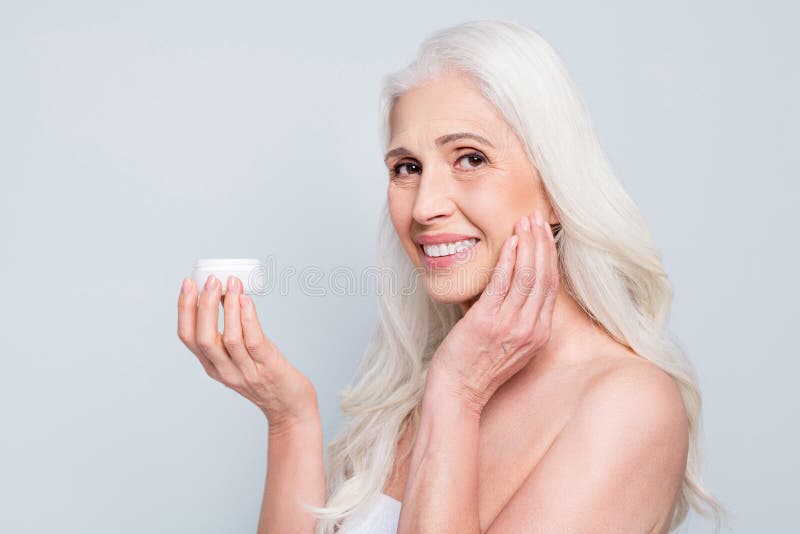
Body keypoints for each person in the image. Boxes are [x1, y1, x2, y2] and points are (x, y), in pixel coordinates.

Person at [177, 19, 726, 534]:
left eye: (470, 158)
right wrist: (289, 418)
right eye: (407, 169)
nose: (424, 207)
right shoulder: (421, 380)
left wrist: (457, 393)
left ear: (557, 187)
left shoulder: (628, 405)